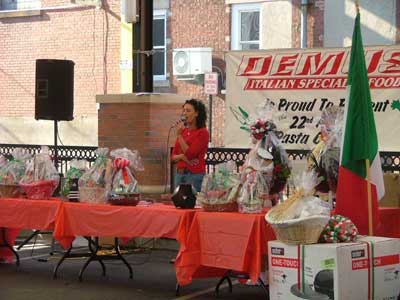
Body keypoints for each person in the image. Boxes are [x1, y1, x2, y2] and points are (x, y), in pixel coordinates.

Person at [171, 99, 209, 193]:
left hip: (194, 175)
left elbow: (190, 154)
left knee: (192, 204)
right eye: (183, 110)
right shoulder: (183, 131)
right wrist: (182, 157)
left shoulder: (202, 132)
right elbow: (173, 157)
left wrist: (179, 136)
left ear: (196, 113)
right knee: (178, 203)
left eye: (188, 111)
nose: (185, 113)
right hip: (179, 174)